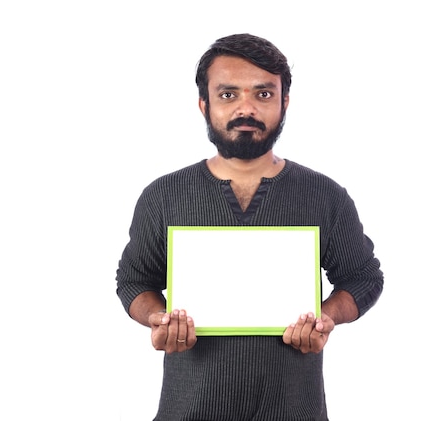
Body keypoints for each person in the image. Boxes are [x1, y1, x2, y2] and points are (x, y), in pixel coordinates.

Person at [115, 33, 383, 421]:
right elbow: (134, 280)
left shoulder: (325, 196)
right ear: (203, 104)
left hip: (296, 412)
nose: (246, 108)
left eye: (263, 94)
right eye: (228, 95)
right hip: (187, 411)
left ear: (284, 102)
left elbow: (363, 277)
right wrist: (158, 318)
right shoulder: (164, 195)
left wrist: (326, 315)